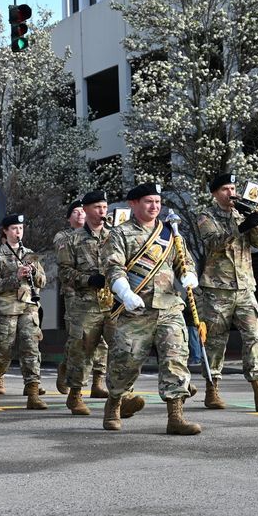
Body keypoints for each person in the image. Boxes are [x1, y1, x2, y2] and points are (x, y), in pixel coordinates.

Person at [101, 183, 201, 435]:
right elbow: (113, 268)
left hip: (169, 307)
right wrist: (125, 292)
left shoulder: (171, 233)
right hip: (136, 310)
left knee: (175, 360)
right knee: (125, 361)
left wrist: (189, 275)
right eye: (148, 201)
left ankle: (175, 417)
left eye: (157, 202)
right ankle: (114, 403)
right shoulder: (120, 234)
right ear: (133, 204)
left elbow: (183, 261)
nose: (154, 206)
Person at [196, 173, 258, 412]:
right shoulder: (206, 216)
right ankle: (212, 390)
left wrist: (256, 221)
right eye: (225, 189)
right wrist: (241, 226)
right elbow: (214, 242)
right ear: (215, 193)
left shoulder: (241, 212)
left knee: (253, 337)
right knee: (216, 341)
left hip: (246, 286)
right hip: (218, 289)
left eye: (233, 188)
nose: (231, 193)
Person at [56, 190, 115, 416]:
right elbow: (64, 272)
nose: (102, 212)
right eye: (97, 207)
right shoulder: (71, 239)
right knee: (82, 350)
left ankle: (120, 395)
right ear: (87, 209)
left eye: (104, 207)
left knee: (119, 349)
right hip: (84, 304)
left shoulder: (114, 236)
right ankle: (75, 395)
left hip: (111, 303)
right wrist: (88, 279)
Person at [0, 214, 48, 410]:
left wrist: (34, 273)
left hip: (28, 307)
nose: (18, 232)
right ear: (5, 231)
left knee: (31, 349)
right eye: (14, 229)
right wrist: (14, 277)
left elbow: (43, 281)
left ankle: (33, 394)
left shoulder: (30, 254)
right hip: (6, 310)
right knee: (3, 353)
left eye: (20, 229)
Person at [53, 198, 87, 395]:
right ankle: (66, 367)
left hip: (95, 293)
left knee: (99, 339)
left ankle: (98, 380)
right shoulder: (63, 236)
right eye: (76, 211)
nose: (81, 214)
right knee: (77, 337)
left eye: (83, 211)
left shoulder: (97, 233)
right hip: (73, 293)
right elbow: (63, 250)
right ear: (68, 218)